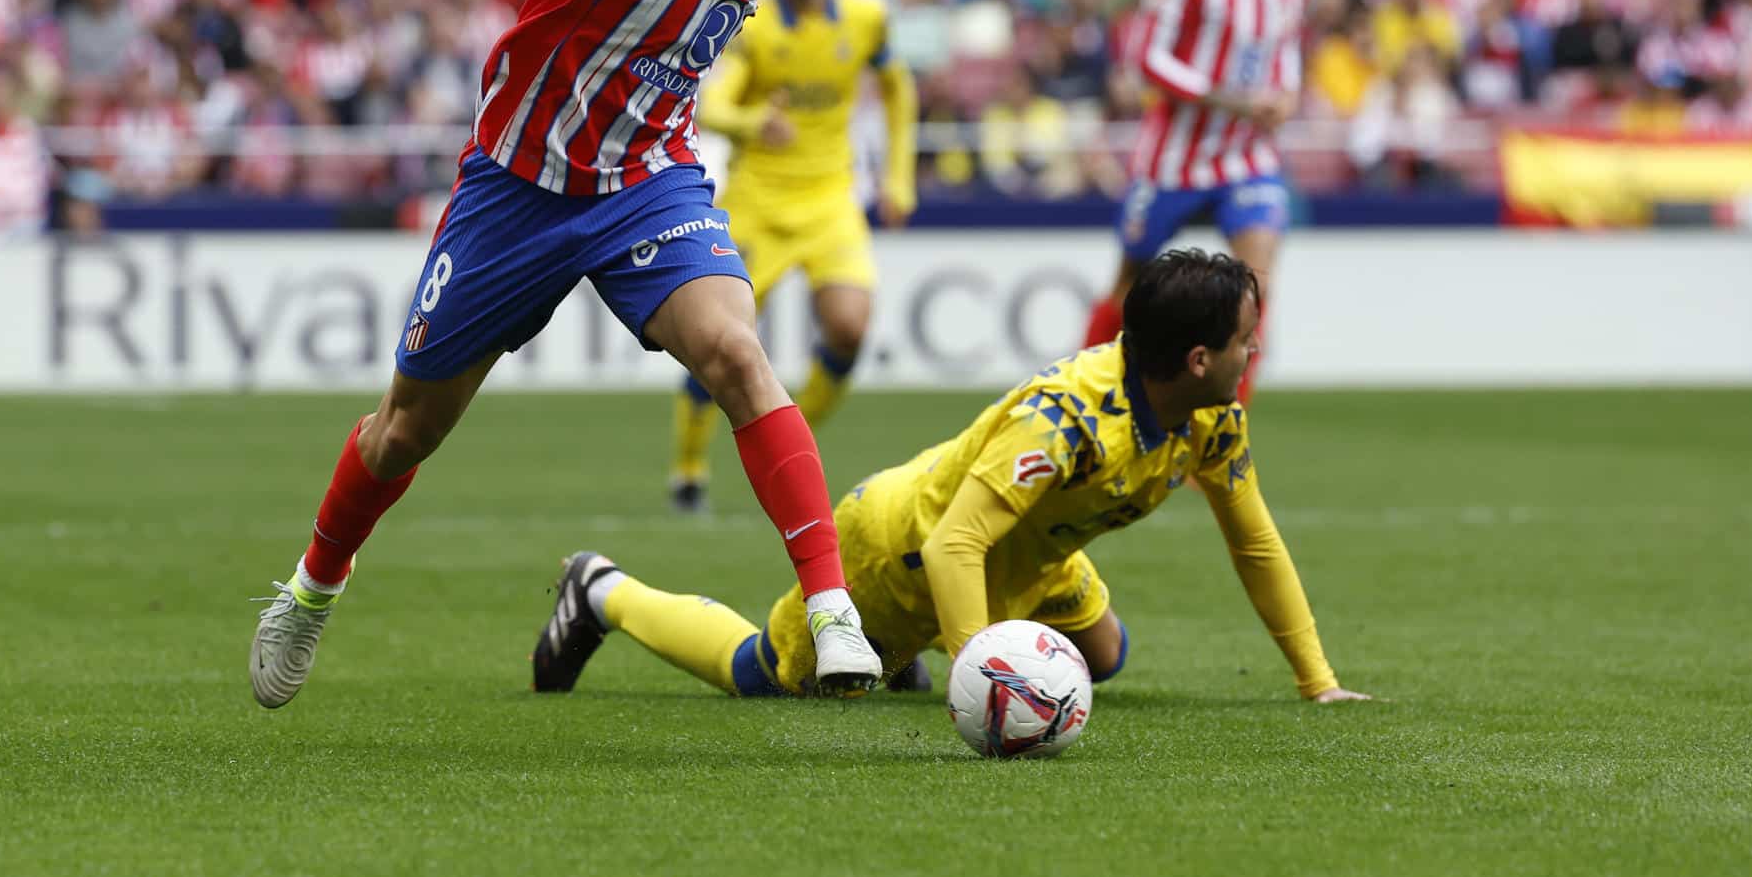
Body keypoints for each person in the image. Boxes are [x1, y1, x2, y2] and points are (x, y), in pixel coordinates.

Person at [250, 0, 895, 708]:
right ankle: (311, 588)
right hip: (518, 185)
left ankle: (831, 608)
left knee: (735, 351)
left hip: (646, 178)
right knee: (405, 432)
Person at [532, 249, 1372, 707]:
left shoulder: (1212, 420)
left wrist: (1318, 683)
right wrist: (985, 679)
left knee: (1104, 658)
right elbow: (952, 542)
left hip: (1030, 557)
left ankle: (911, 656)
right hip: (902, 549)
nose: (1252, 355)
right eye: (1243, 344)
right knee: (762, 676)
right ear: (1197, 359)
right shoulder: (1066, 421)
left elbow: (1254, 541)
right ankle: (601, 590)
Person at [668, 0, 917, 511]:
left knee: (850, 328)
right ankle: (688, 469)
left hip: (831, 199)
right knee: (718, 340)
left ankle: (788, 436)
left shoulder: (866, 16)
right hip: (759, 201)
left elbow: (899, 91)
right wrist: (754, 122)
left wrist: (899, 179)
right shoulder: (752, 25)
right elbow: (714, 105)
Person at [1081, 0, 1313, 405]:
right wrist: (1232, 99)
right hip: (1174, 159)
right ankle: (1079, 399)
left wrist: (1288, 93)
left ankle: (1224, 422)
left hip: (1248, 158)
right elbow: (1146, 58)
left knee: (1258, 288)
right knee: (1128, 289)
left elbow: (1287, 48)